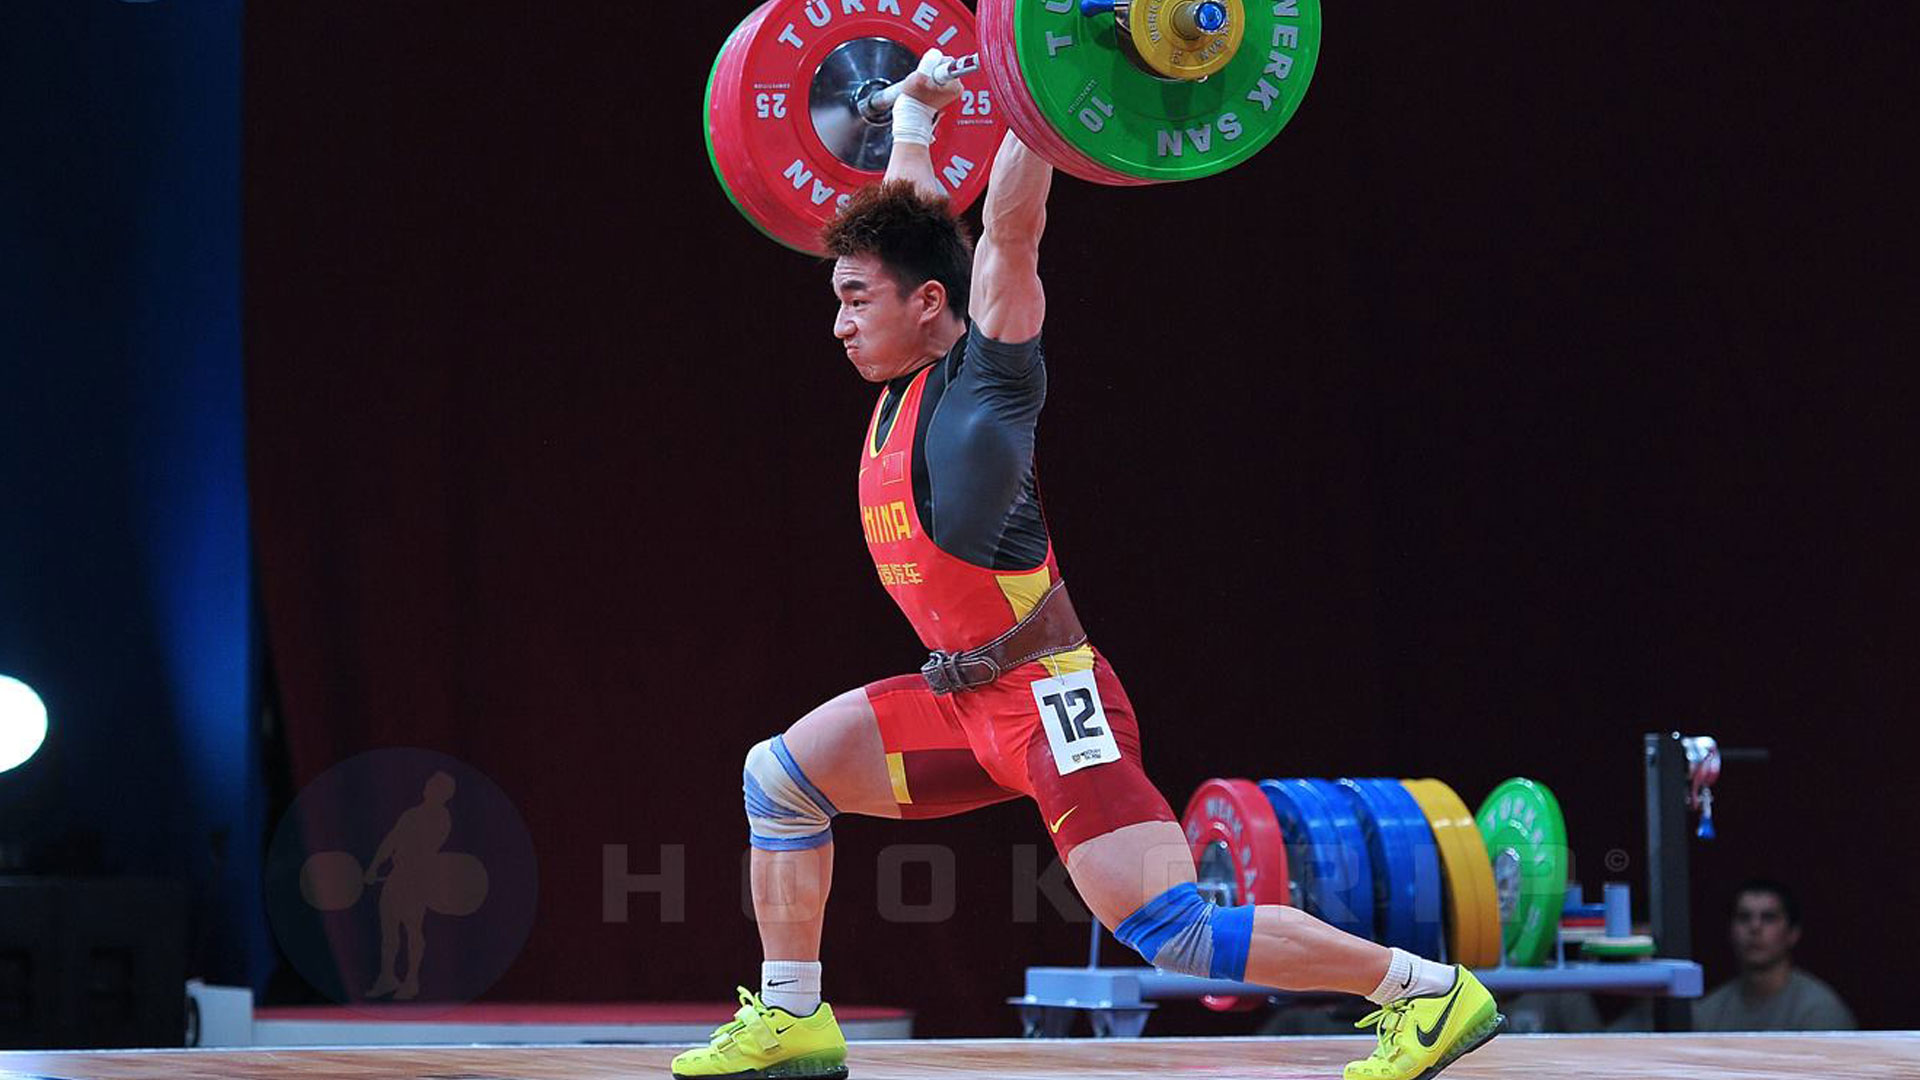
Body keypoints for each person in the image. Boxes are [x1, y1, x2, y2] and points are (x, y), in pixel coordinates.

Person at [670, 52, 1502, 1080]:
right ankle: (795, 1019)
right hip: (963, 701)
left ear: (927, 304)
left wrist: (1040, 97)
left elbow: (1009, 230)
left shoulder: (989, 380)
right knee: (781, 779)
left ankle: (1426, 991)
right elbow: (918, 220)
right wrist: (917, 114)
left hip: (1054, 700)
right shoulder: (900, 385)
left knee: (1176, 933)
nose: (838, 323)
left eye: (853, 300)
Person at [1693, 879, 1855, 1032]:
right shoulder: (1708, 1013)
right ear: (1730, 930)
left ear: (1793, 933)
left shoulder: (1820, 1012)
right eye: (1744, 917)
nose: (1755, 927)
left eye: (1769, 917)